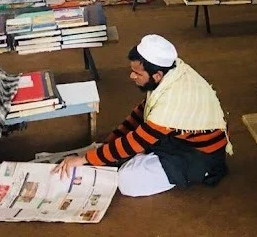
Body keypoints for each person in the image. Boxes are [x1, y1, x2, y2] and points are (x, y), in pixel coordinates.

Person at [52, 34, 232, 197]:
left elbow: (137, 139)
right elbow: (140, 115)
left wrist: (85, 159)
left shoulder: (173, 100)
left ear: (157, 75)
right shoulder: (170, 73)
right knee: (113, 150)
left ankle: (188, 169)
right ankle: (125, 155)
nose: (131, 76)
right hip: (177, 140)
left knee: (127, 180)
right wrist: (107, 145)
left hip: (199, 155)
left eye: (137, 73)